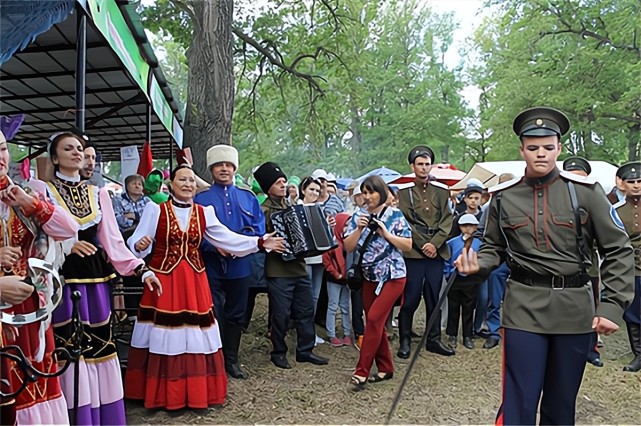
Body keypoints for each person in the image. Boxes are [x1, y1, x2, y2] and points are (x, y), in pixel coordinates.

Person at [455, 107, 634, 425]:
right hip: (523, 307)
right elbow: (492, 247)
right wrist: (477, 264)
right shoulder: (503, 197)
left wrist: (612, 306)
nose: (541, 154)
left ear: (559, 148)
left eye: (548, 147)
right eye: (533, 147)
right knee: (519, 401)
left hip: (574, 310)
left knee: (560, 403)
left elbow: (619, 250)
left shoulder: (586, 194)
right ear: (522, 149)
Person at [125, 164, 283, 409]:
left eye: (191, 180)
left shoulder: (204, 212)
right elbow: (136, 241)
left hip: (194, 280)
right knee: (165, 334)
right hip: (164, 280)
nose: (188, 184)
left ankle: (193, 392)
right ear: (171, 185)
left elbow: (226, 237)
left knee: (193, 335)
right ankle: (162, 393)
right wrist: (140, 244)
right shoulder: (155, 210)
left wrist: (260, 242)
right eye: (182, 180)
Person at [45, 131, 161, 425]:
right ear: (55, 157)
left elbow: (111, 239)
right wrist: (66, 245)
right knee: (67, 347)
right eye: (68, 149)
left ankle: (102, 415)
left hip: (96, 281)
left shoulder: (98, 194)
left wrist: (141, 268)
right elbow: (38, 238)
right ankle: (71, 415)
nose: (76, 153)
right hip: (62, 280)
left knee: (98, 347)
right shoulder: (42, 191)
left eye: (80, 149)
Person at [0, 130, 79, 425]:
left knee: (35, 376)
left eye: (4, 149)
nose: (1, 157)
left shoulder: (25, 192)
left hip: (28, 309)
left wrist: (30, 203)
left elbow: (68, 229)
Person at [194, 145, 266, 379]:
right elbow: (195, 232)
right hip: (211, 265)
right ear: (211, 168)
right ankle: (214, 358)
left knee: (237, 313)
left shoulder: (248, 197)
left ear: (234, 168)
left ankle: (232, 359)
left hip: (240, 266)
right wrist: (213, 246)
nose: (224, 169)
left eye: (228, 165)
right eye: (219, 165)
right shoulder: (200, 199)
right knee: (213, 312)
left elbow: (259, 229)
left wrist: (240, 247)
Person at [254, 162, 329, 369]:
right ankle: (278, 351)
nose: (283, 185)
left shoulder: (293, 206)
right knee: (281, 314)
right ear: (268, 187)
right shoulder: (263, 210)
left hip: (299, 267)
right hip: (277, 270)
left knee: (305, 310)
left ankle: (305, 350)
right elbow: (259, 239)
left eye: (284, 181)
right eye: (278, 182)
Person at [343, 176, 411, 389]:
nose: (368, 197)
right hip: (368, 277)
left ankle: (361, 371)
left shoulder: (395, 215)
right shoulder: (357, 216)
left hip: (393, 275)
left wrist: (386, 233)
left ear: (381, 193)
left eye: (371, 192)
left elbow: (408, 245)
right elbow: (348, 246)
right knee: (376, 324)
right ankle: (385, 367)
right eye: (364, 192)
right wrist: (359, 229)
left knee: (373, 319)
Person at [397, 145, 454, 358]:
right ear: (412, 166)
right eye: (420, 164)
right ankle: (405, 340)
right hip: (414, 252)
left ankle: (433, 339)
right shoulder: (404, 194)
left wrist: (436, 243)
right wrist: (423, 245)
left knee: (434, 298)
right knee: (410, 298)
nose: (424, 167)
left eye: (427, 163)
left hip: (436, 252)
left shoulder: (441, 191)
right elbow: (405, 222)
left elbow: (448, 219)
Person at [563, 156, 604, 367]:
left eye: (580, 177)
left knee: (591, 309)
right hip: (562, 267)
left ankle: (591, 348)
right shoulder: (557, 199)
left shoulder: (594, 200)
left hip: (589, 267)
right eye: (570, 177)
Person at [613, 162, 641, 372]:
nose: (636, 186)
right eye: (631, 182)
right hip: (630, 270)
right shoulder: (616, 212)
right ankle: (639, 354)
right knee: (632, 314)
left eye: (640, 181)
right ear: (622, 185)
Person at [444, 214, 483, 350]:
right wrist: (448, 273)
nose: (467, 228)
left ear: (476, 227)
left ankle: (468, 335)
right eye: (464, 225)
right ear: (459, 226)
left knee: (469, 308)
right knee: (453, 307)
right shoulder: (452, 242)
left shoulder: (480, 244)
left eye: (471, 226)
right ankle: (452, 334)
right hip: (455, 277)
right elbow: (447, 260)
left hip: (472, 279)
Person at [298, 176, 329, 344]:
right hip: (305, 258)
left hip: (319, 257)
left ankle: (311, 330)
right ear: (303, 190)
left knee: (316, 295)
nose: (314, 193)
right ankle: (304, 331)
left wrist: (328, 226)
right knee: (306, 295)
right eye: (311, 189)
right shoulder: (297, 208)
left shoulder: (320, 209)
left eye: (317, 190)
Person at [322, 213, 353, 347]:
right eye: (345, 225)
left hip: (346, 278)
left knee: (345, 306)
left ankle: (347, 333)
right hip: (334, 278)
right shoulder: (332, 242)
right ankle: (331, 334)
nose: (347, 228)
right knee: (333, 306)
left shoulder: (350, 242)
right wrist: (336, 274)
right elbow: (326, 261)